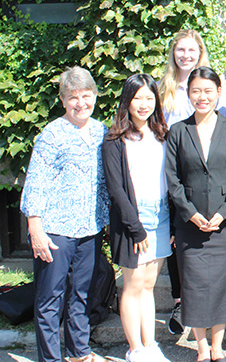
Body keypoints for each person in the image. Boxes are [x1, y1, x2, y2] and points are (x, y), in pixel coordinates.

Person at [20, 66, 109, 362]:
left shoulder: (101, 131)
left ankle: (79, 351)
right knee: (49, 300)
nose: (80, 102)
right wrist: (35, 228)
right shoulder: (52, 134)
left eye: (86, 95)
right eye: (73, 97)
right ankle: (49, 358)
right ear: (63, 100)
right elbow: (36, 181)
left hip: (90, 229)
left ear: (95, 96)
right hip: (55, 231)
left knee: (81, 295)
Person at [165, 67, 226, 362]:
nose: (202, 97)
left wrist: (225, 213)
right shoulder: (178, 131)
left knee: (222, 285)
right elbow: (172, 180)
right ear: (188, 94)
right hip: (190, 225)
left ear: (218, 91)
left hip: (224, 226)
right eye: (196, 91)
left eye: (208, 91)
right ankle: (201, 348)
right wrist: (189, 214)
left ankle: (218, 347)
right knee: (194, 285)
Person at [103, 74, 172, 362]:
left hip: (162, 214)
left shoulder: (162, 134)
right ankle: (135, 349)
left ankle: (150, 345)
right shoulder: (115, 139)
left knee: (148, 285)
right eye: (137, 98)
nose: (143, 104)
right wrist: (136, 229)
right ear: (127, 101)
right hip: (133, 220)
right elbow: (116, 189)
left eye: (148, 97)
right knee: (132, 286)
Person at [157, 29, 222, 333]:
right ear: (173, 54)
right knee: (175, 234)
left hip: (199, 172)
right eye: (180, 50)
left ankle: (202, 301)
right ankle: (179, 299)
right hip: (168, 169)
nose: (185, 55)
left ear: (200, 53)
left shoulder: (206, 84)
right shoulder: (162, 89)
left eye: (191, 50)